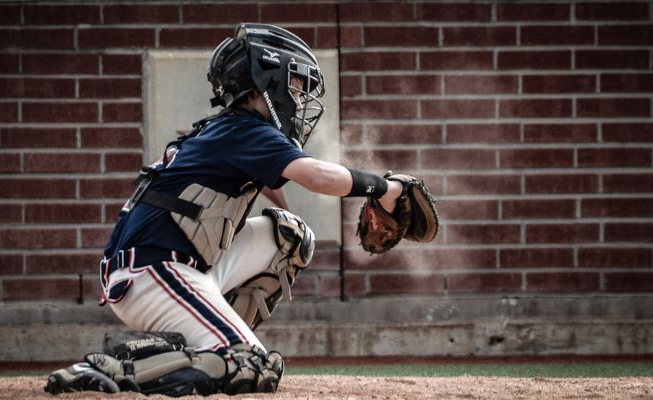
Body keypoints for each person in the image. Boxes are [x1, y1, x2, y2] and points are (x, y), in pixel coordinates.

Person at [44, 23, 414, 397]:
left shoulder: (230, 129)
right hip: (153, 274)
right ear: (263, 83)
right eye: (295, 84)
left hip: (167, 266)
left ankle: (211, 344)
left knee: (290, 236)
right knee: (254, 365)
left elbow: (271, 182)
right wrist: (386, 188)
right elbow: (317, 177)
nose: (300, 99)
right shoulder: (246, 130)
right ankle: (118, 369)